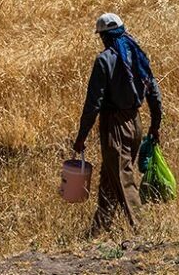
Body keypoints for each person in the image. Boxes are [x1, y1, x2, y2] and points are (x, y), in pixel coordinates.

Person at [73, 13, 163, 236]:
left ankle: (142, 232)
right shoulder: (137, 54)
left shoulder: (104, 60)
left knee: (123, 179)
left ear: (103, 37)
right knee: (110, 177)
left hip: (115, 127)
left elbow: (93, 104)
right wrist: (155, 125)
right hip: (136, 123)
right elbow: (154, 92)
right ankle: (97, 231)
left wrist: (81, 136)